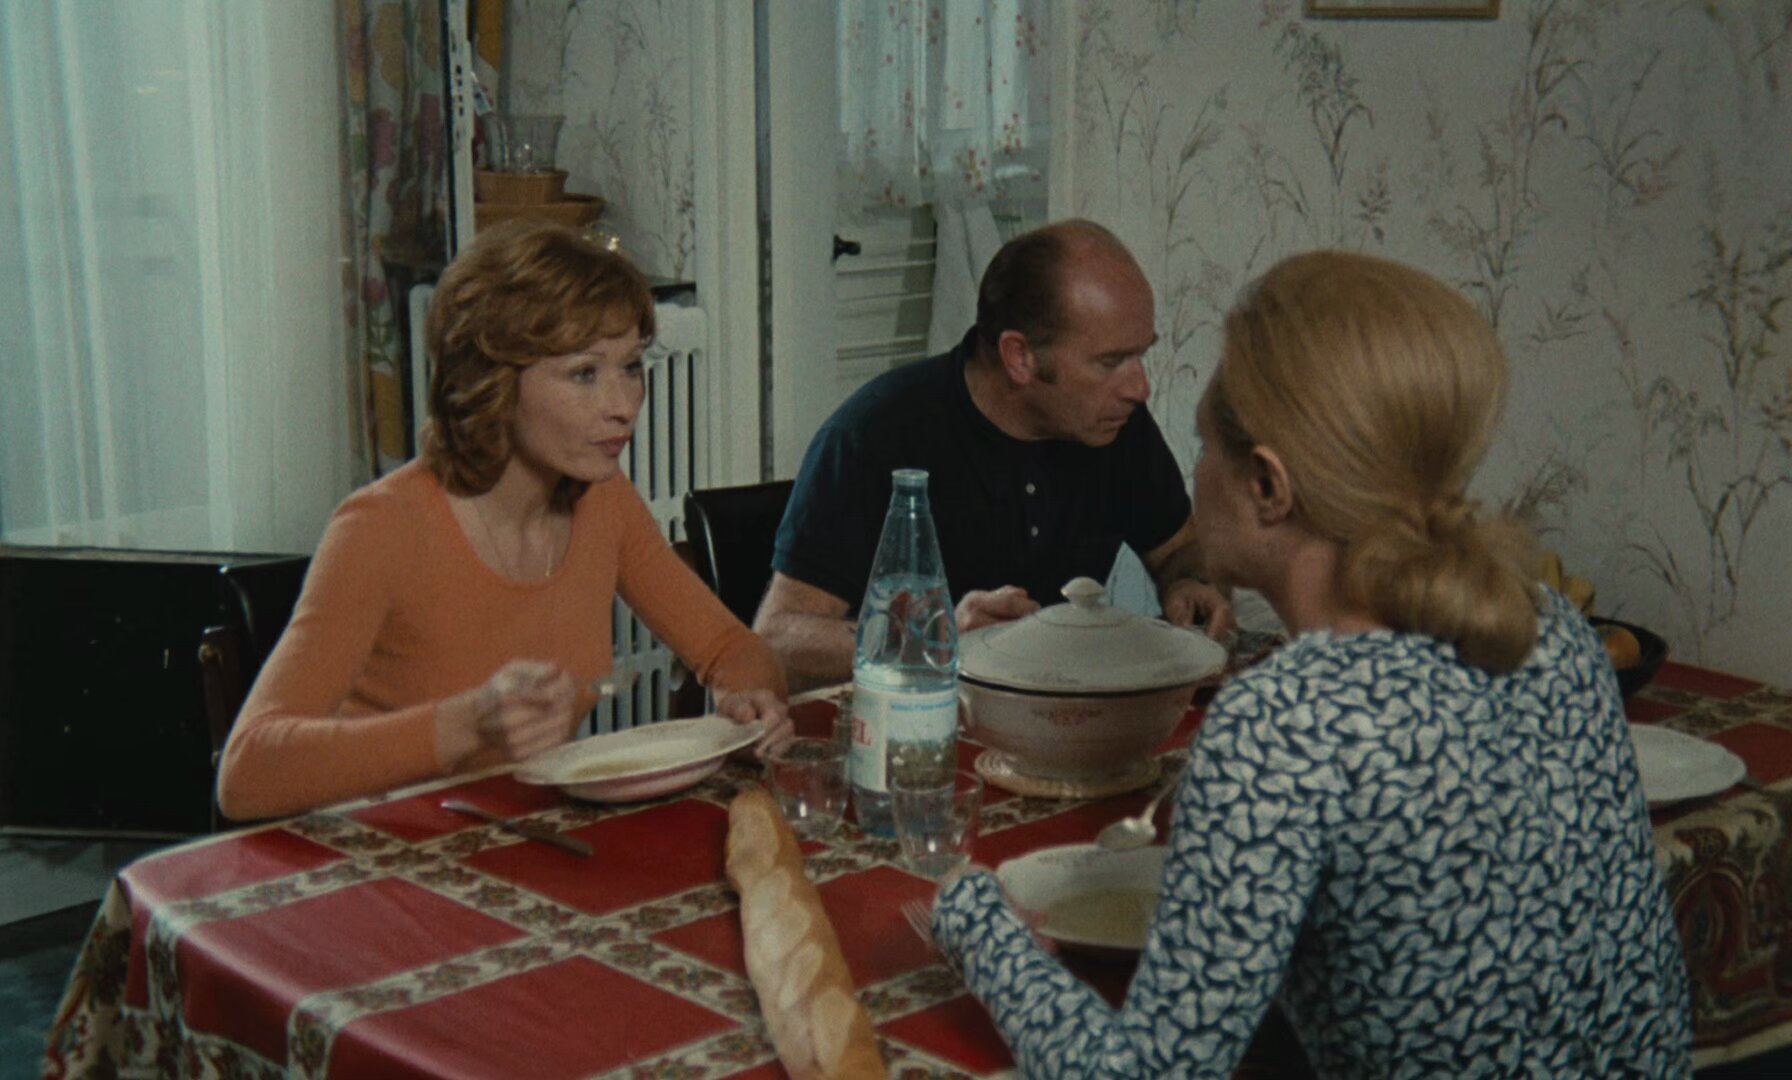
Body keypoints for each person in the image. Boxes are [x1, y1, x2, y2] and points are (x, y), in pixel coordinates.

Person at [926, 251, 1692, 1076]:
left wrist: (974, 917)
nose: (1196, 473)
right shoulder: (1553, 629)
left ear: (1268, 485)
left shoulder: (1282, 725)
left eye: (1205, 446)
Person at [217, 222, 792, 821]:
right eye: (584, 373)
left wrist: (744, 703)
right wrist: (464, 724)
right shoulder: (380, 527)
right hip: (385, 852)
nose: (624, 406)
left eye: (630, 368)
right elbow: (246, 774)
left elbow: (733, 649)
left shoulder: (604, 502)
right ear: (493, 381)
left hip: (526, 834)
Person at [756, 219, 1231, 691]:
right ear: (1019, 357)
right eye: (1110, 362)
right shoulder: (874, 436)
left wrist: (1189, 582)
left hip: (1052, 716)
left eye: (1141, 355)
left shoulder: (1114, 423)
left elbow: (1180, 549)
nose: (1140, 388)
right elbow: (777, 640)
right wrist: (935, 640)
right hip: (911, 719)